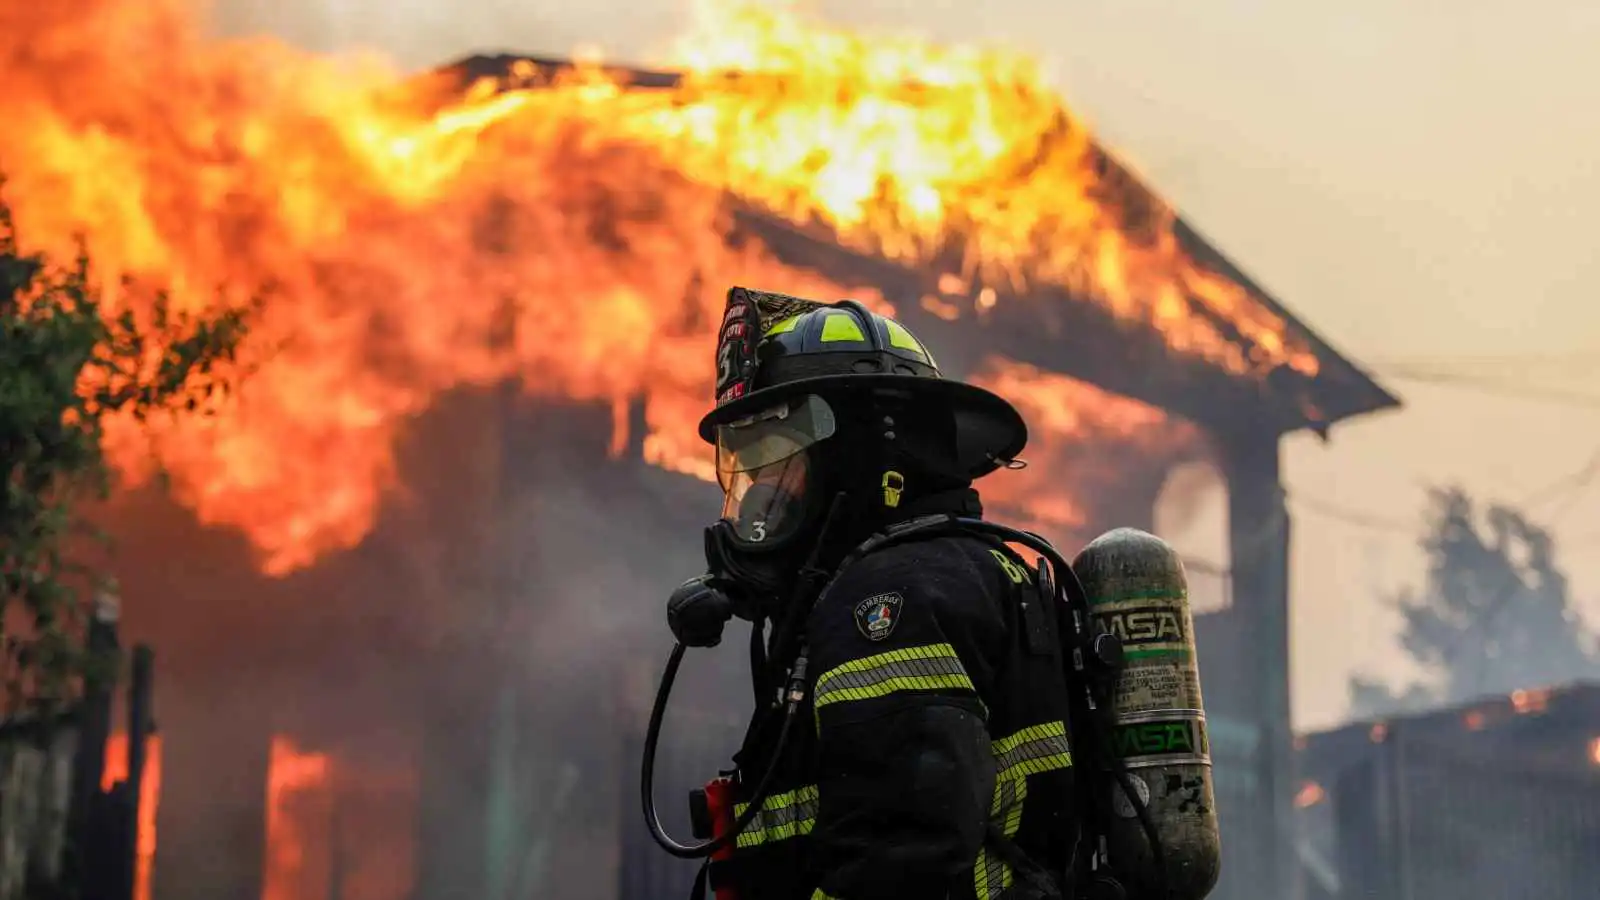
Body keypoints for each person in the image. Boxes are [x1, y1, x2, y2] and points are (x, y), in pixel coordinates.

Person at [666, 286, 1086, 900]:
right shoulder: (956, 574)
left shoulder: (891, 600)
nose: (761, 501)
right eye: (749, 472)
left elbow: (897, 865)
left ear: (856, 455)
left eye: (778, 462)